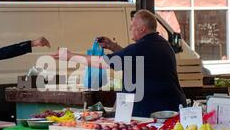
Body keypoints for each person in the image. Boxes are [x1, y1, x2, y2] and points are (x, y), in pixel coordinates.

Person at [54, 9, 186, 117]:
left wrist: (69, 56)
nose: (130, 28)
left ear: (142, 29)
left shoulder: (141, 48)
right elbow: (133, 58)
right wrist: (112, 46)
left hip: (154, 112)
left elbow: (102, 63)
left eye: (133, 25)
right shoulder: (161, 44)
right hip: (168, 106)